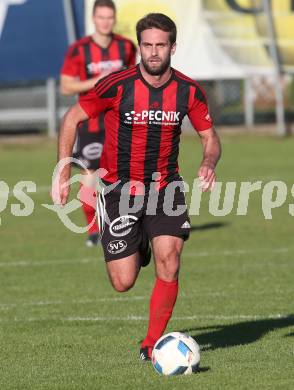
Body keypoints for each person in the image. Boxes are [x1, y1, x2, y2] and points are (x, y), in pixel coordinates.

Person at [52, 13, 221, 361]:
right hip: (118, 191)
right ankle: (139, 242)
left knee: (170, 261)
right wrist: (62, 171)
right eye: (147, 45)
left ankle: (152, 345)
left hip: (166, 188)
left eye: (161, 45)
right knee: (123, 281)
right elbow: (72, 118)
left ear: (173, 47)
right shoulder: (118, 85)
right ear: (140, 47)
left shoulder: (189, 91)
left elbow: (210, 137)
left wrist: (208, 161)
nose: (154, 52)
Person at [60, 0, 136, 246]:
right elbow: (66, 86)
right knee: (90, 174)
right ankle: (93, 229)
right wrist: (97, 81)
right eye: (101, 17)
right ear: (94, 18)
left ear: (114, 19)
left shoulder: (126, 47)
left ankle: (126, 221)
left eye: (109, 18)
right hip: (91, 123)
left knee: (125, 174)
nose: (105, 22)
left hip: (120, 121)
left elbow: (136, 78)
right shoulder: (79, 50)